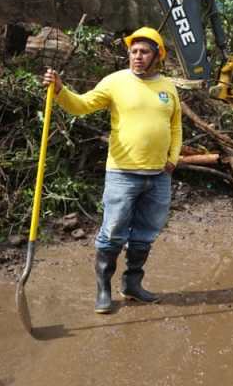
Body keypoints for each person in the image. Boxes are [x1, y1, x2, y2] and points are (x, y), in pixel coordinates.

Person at [42, 26, 182, 314]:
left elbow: (176, 125)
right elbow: (82, 105)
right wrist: (59, 90)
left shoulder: (168, 87)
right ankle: (104, 289)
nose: (138, 56)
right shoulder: (116, 81)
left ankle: (132, 285)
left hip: (159, 175)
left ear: (157, 56)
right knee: (113, 232)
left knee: (145, 233)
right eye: (133, 51)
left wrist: (173, 159)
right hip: (122, 173)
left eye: (144, 52)